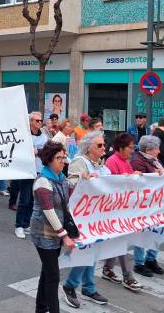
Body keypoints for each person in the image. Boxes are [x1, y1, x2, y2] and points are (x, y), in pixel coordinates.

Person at [61, 131, 110, 307]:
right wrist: (83, 178)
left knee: (93, 251)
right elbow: (70, 183)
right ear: (89, 148)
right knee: (87, 250)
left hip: (98, 216)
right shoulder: (80, 161)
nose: (103, 147)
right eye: (99, 145)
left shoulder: (101, 165)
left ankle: (88, 287)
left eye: (104, 144)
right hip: (83, 216)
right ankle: (70, 285)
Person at [30, 141, 76, 312]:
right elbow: (49, 211)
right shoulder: (43, 181)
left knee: (47, 273)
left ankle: (40, 309)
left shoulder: (61, 178)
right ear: (49, 160)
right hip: (43, 233)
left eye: (63, 157)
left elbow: (71, 192)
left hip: (56, 232)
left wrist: (86, 179)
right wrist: (64, 235)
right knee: (53, 276)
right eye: (58, 158)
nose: (62, 161)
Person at [102, 133, 143, 291]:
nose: (132, 151)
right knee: (120, 242)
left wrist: (135, 176)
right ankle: (128, 277)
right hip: (114, 210)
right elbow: (110, 185)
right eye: (130, 148)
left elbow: (128, 179)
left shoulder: (126, 160)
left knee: (117, 241)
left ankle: (108, 269)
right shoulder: (112, 162)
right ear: (121, 148)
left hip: (123, 209)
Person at [130, 135, 164, 277]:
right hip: (143, 204)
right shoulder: (137, 161)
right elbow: (141, 182)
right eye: (156, 148)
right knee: (143, 232)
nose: (159, 151)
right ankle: (139, 263)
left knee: (156, 230)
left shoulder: (153, 160)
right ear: (148, 149)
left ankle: (151, 259)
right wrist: (154, 174)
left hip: (156, 202)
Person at [14, 112, 49, 239]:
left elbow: (46, 152)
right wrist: (30, 151)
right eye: (37, 120)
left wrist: (37, 151)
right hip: (26, 170)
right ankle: (18, 225)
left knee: (33, 200)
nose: (39, 123)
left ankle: (26, 223)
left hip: (39, 170)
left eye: (41, 121)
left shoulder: (44, 137)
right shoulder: (25, 135)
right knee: (24, 199)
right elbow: (19, 150)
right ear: (31, 122)